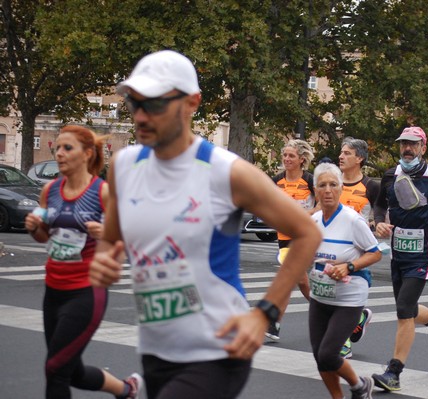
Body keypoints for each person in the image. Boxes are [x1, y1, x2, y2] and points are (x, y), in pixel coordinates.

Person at [88, 50, 321, 399]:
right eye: (134, 103)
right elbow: (112, 235)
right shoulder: (123, 165)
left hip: (218, 348)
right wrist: (104, 258)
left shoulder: (226, 171)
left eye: (154, 104)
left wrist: (264, 312)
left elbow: (307, 232)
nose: (140, 115)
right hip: (155, 347)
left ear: (191, 103)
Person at [24, 125, 142, 399]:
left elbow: (127, 236)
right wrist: (34, 227)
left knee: (55, 368)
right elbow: (44, 238)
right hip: (53, 291)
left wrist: (108, 234)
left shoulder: (103, 192)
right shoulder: (50, 191)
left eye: (68, 148)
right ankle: (126, 389)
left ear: (88, 154)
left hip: (86, 293)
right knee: (70, 370)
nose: (59, 153)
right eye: (57, 147)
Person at [371, 126, 428, 392]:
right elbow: (380, 204)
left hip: (424, 253)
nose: (407, 149)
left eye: (412, 144)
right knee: (409, 309)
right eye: (403, 144)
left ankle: (394, 373)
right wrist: (379, 222)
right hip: (398, 252)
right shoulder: (391, 175)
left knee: (403, 309)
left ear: (423, 147)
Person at [308, 163, 381, 399]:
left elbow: (375, 252)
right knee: (320, 356)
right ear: (316, 190)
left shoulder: (353, 220)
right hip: (320, 296)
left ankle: (359, 384)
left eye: (332, 185)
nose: (327, 190)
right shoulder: (314, 221)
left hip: (349, 298)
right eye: (322, 185)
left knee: (329, 354)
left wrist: (349, 266)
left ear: (340, 189)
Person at [267, 139, 317, 341]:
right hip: (285, 237)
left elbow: (324, 204)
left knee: (293, 275)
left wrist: (306, 214)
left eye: (291, 156)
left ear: (302, 160)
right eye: (285, 155)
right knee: (301, 281)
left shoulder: (310, 180)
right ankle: (330, 311)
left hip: (306, 235)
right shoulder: (277, 181)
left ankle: (274, 322)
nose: (287, 159)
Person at [337, 137, 380, 358]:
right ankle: (359, 317)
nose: (341, 156)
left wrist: (379, 224)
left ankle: (343, 342)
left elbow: (382, 212)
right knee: (332, 296)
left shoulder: (371, 186)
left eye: (347, 153)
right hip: (331, 248)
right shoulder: (333, 181)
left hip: (357, 252)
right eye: (341, 152)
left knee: (343, 297)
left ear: (359, 158)